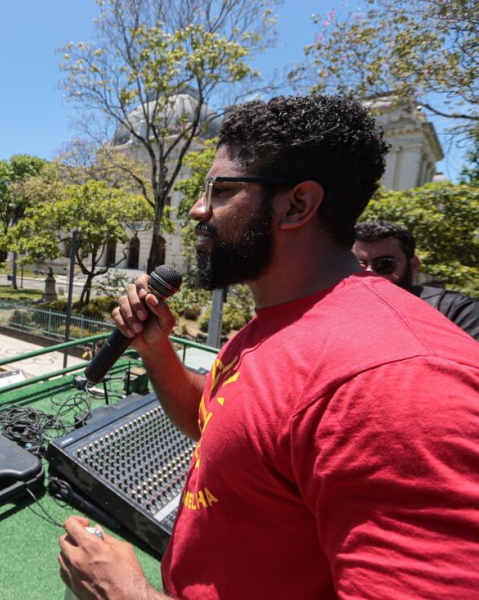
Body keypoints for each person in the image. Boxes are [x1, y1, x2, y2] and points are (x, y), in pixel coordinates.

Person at [58, 96, 479, 599]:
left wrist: (128, 595)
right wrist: (156, 351)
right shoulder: (273, 321)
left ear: (297, 204)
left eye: (222, 190)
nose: (197, 209)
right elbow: (217, 423)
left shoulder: (399, 381)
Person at [353, 220, 479, 341]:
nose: (369, 273)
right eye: (357, 265)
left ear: (413, 266)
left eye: (385, 264)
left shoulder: (454, 310)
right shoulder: (338, 313)